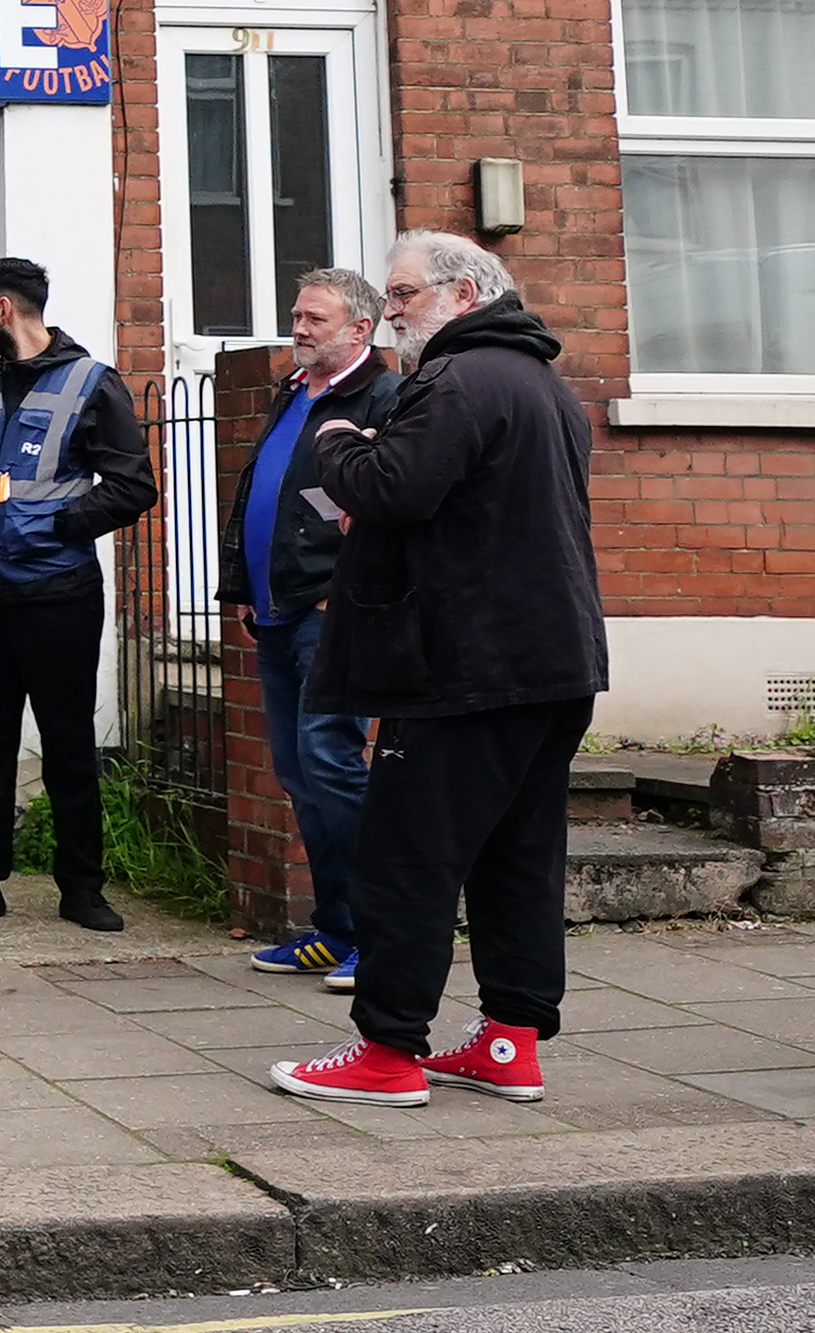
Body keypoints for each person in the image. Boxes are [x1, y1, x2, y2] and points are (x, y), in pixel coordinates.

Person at [265, 236, 604, 1109]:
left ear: (462, 294)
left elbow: (393, 487)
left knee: (404, 859)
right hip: (551, 659)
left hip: (465, 663)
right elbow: (473, 511)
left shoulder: (460, 378)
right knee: (517, 859)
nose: (396, 307)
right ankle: (508, 1042)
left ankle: (387, 1052)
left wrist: (340, 442)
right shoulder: (543, 386)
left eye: (407, 292)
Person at [0, 256, 158, 931]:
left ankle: (82, 888)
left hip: (56, 591)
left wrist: (59, 525)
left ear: (5, 309)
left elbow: (133, 485)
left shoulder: (91, 383)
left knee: (67, 742)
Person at [232, 267, 397, 982]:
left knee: (332, 764)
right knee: (299, 774)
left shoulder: (385, 397)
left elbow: (391, 503)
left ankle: (380, 935)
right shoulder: (296, 391)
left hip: (334, 613)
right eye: (296, 315)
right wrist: (244, 584)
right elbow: (262, 491)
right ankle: (333, 928)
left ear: (361, 329)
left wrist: (347, 591)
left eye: (315, 319)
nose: (298, 328)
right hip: (276, 610)